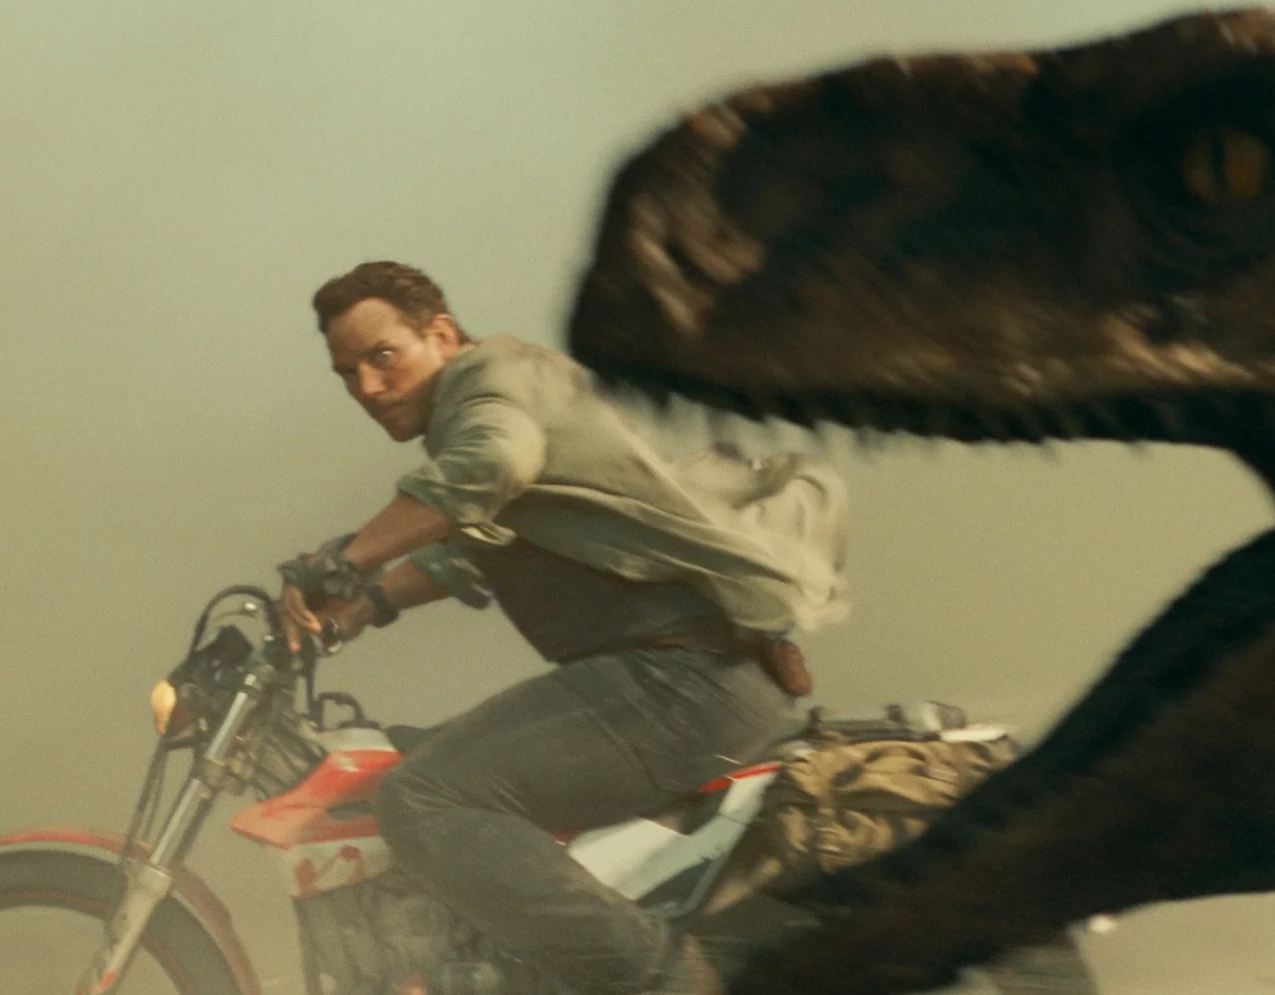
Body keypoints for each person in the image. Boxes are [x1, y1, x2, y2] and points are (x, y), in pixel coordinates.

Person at [228, 260, 847, 995]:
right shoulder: (507, 389)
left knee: (422, 797)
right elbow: (473, 547)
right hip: (680, 677)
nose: (367, 386)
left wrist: (342, 559)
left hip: (682, 681)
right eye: (347, 373)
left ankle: (666, 980)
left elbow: (493, 465)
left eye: (382, 356)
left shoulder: (487, 387)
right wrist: (363, 607)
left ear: (441, 335)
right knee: (402, 759)